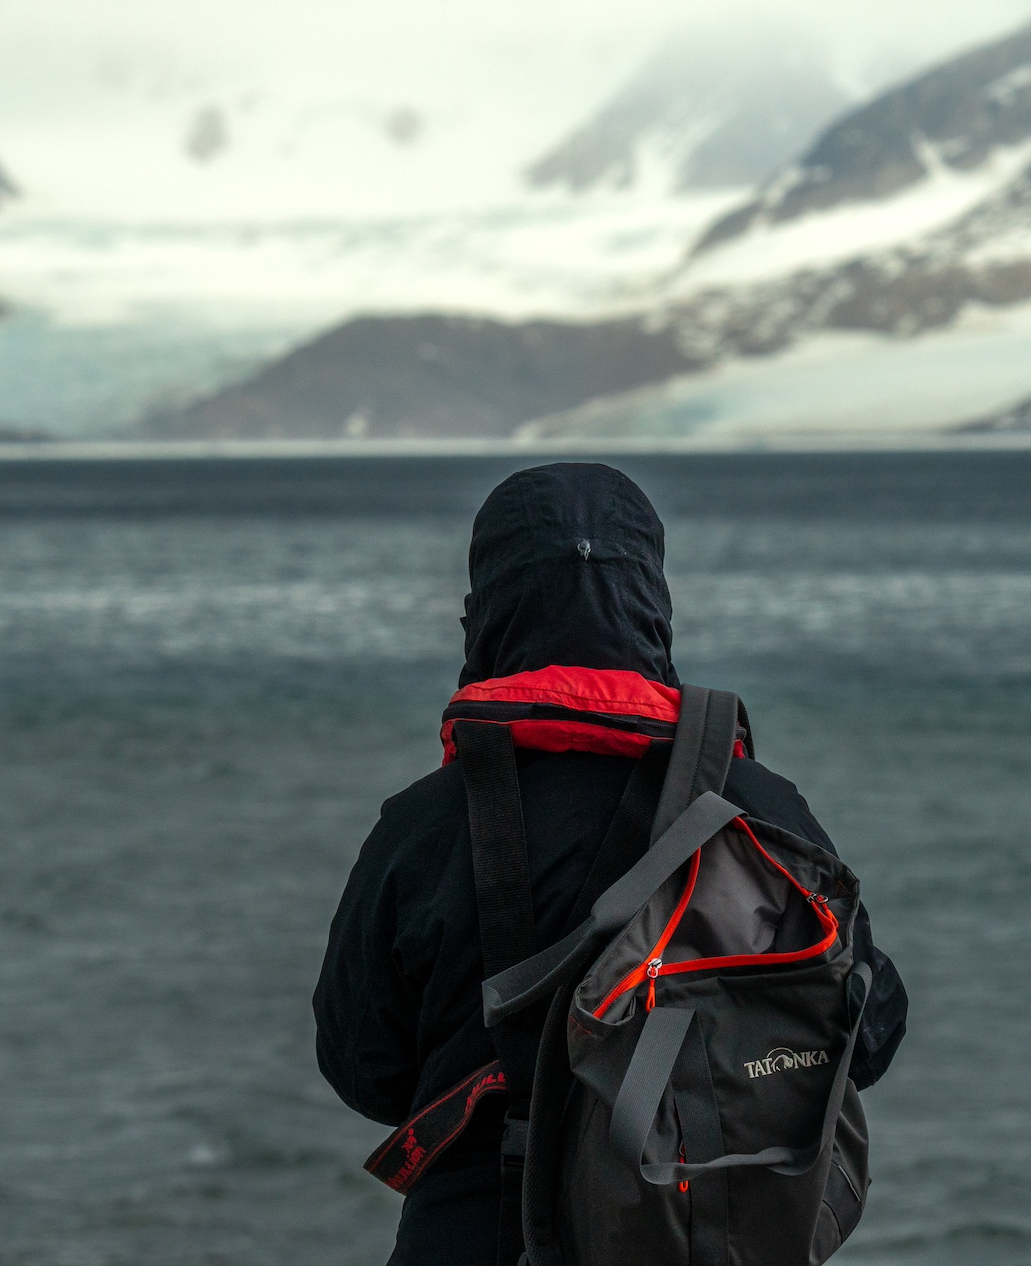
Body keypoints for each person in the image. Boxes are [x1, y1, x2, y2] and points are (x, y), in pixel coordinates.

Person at [314, 461, 907, 1265]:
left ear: (483, 617)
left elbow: (363, 1069)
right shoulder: (760, 810)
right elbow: (865, 1035)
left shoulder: (422, 823)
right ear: (653, 607)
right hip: (698, 1240)